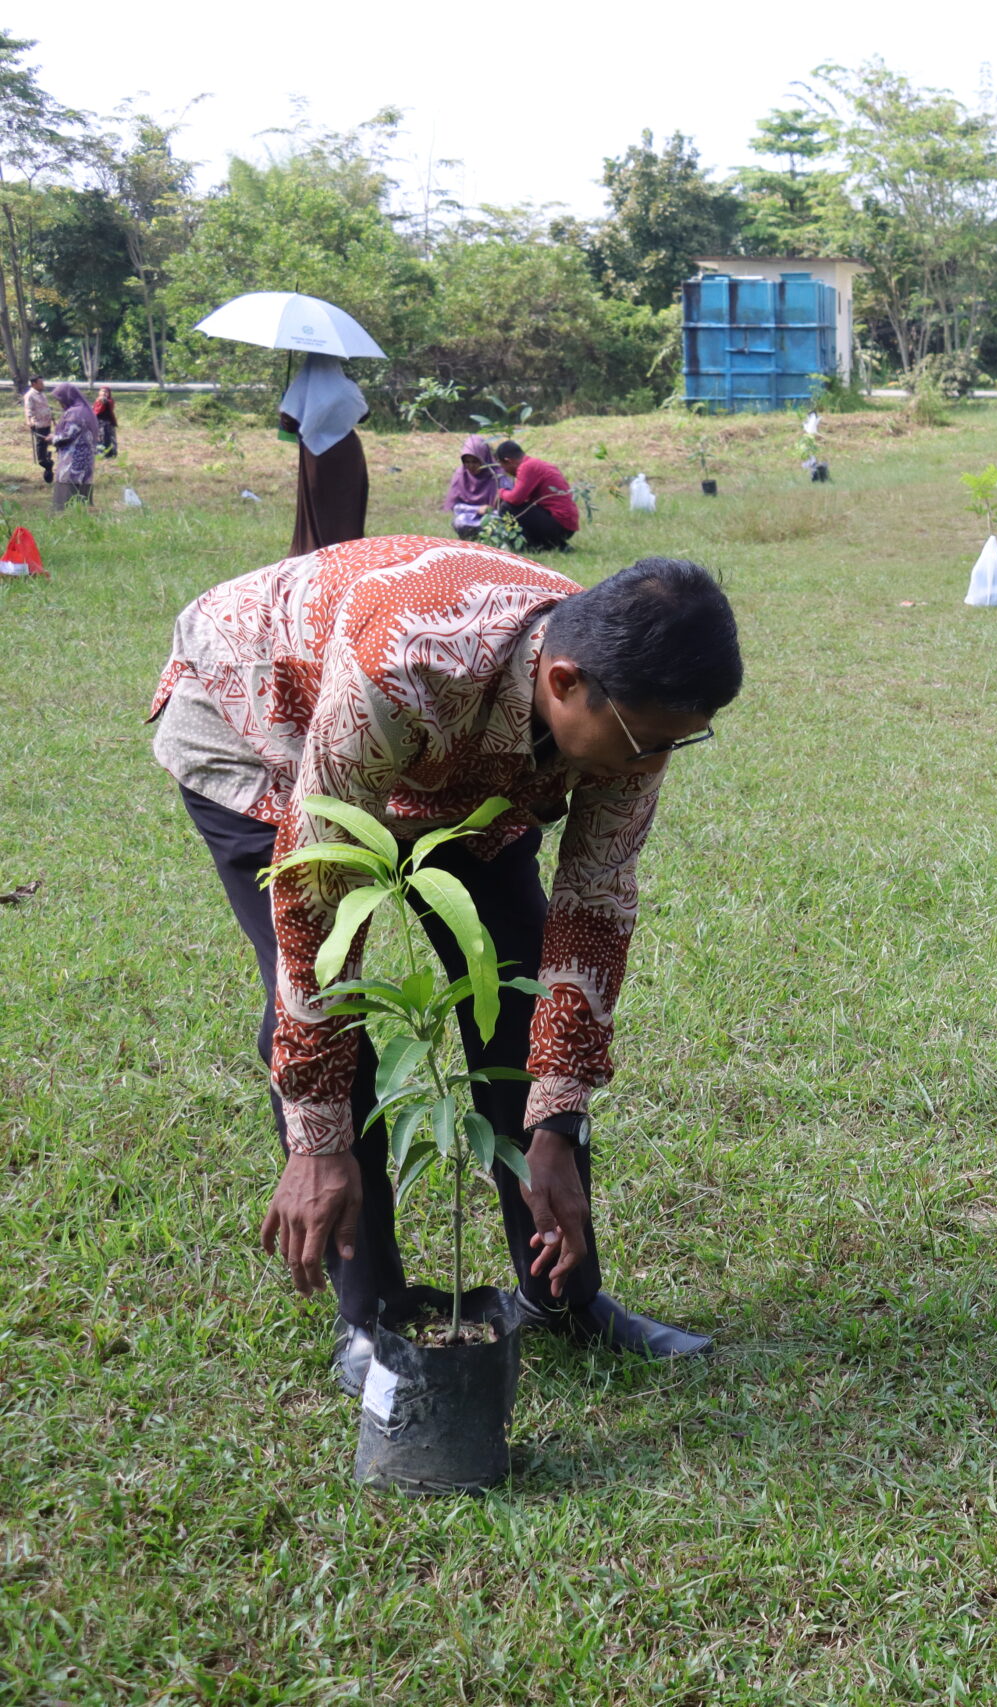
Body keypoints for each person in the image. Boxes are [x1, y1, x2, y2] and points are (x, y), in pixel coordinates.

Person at [146, 538, 743, 1392]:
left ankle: (561, 1297)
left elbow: (595, 905)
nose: (649, 765)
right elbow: (317, 911)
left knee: (517, 974)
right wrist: (316, 1140)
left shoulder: (628, 705)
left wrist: (556, 1122)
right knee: (331, 998)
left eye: (673, 745)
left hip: (452, 754)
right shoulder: (409, 662)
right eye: (643, 743)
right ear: (564, 681)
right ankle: (371, 1320)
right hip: (262, 715)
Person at [278, 354, 369, 556]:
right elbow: (363, 414)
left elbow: (289, 422)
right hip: (347, 451)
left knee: (317, 501)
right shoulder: (347, 388)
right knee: (347, 503)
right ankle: (348, 552)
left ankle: (314, 549)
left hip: (316, 454)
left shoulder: (301, 387)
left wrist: (287, 404)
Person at [495, 440, 580, 551]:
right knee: (519, 508)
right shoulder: (536, 464)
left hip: (559, 524)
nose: (504, 471)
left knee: (507, 507)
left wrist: (501, 492)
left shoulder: (527, 467)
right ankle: (554, 545)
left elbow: (515, 499)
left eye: (503, 466)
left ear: (508, 461)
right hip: (566, 524)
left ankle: (523, 547)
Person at [47, 382, 98, 510]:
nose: (60, 403)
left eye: (60, 400)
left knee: (67, 494)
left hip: (72, 460)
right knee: (83, 493)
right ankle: (82, 514)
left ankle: (64, 515)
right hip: (87, 459)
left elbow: (67, 436)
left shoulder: (74, 413)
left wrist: (52, 438)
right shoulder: (86, 410)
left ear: (66, 397)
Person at [444, 434, 503, 540]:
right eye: (467, 462)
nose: (471, 466)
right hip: (469, 517)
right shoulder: (461, 475)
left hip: (493, 516)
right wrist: (477, 509)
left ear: (484, 459)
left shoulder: (496, 475)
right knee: (459, 521)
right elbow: (455, 507)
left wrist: (489, 510)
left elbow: (507, 505)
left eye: (475, 461)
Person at [23, 380, 53, 484]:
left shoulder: (42, 394)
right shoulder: (30, 395)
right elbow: (28, 410)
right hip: (38, 424)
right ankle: (45, 463)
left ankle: (48, 462)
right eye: (40, 383)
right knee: (41, 447)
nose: (43, 385)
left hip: (47, 424)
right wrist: (29, 421)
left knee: (46, 444)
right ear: (34, 384)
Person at [93, 385, 118, 460]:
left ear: (109, 393)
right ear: (99, 392)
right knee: (98, 438)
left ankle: (108, 454)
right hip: (98, 422)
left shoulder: (109, 401)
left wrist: (103, 400)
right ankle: (99, 453)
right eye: (102, 391)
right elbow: (95, 410)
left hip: (106, 423)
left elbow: (105, 406)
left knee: (106, 438)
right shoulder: (98, 400)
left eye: (106, 392)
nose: (104, 393)